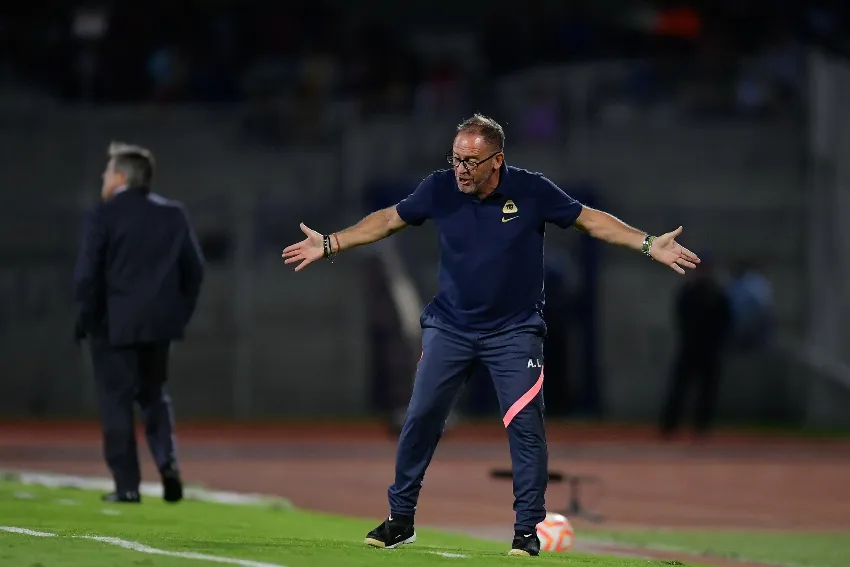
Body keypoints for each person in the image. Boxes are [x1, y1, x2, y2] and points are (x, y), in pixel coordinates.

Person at [282, 114, 699, 556]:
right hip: (450, 328)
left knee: (525, 428)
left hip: (514, 333)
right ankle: (400, 520)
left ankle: (527, 531)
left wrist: (649, 243)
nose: (460, 169)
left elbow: (590, 220)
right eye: (456, 159)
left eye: (471, 161)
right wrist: (330, 243)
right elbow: (387, 220)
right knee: (420, 418)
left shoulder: (532, 190)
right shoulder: (439, 188)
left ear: (496, 160)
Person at [73, 141, 205, 504]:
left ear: (120, 177)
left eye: (107, 172)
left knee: (116, 402)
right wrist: (178, 314)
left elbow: (87, 275)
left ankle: (127, 486)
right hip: (158, 326)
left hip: (113, 325)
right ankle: (168, 464)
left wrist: (86, 317)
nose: (103, 178)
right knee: (154, 396)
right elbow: (194, 270)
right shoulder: (173, 214)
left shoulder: (104, 214)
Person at [659, 254, 732, 438]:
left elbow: (725, 321)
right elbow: (681, 317)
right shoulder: (688, 292)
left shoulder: (717, 294)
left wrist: (716, 341)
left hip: (710, 350)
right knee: (679, 387)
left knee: (707, 390)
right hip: (689, 348)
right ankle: (669, 426)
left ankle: (702, 426)